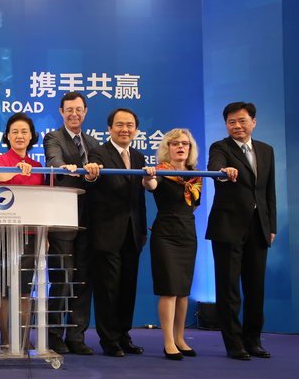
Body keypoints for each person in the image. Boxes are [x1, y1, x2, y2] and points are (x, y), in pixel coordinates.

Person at [206, 102, 276, 361]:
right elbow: (215, 169)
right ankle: (234, 343)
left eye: (242, 120)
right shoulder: (220, 148)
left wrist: (271, 225)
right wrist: (223, 172)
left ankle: (253, 340)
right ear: (226, 125)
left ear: (253, 122)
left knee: (256, 287)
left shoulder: (266, 150)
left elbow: (269, 191)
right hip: (228, 227)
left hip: (259, 227)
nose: (237, 126)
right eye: (231, 122)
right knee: (229, 289)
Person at [84, 108, 147, 357]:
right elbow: (90, 182)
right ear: (109, 128)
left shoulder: (139, 157)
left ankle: (124, 335)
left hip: (133, 233)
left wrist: (142, 229)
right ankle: (109, 339)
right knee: (107, 289)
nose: (125, 129)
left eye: (130, 125)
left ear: (136, 130)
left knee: (128, 288)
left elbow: (139, 199)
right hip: (106, 233)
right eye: (119, 125)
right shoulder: (98, 153)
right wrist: (90, 175)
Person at [43, 92, 100, 355]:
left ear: (85, 112)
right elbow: (54, 161)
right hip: (62, 217)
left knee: (84, 279)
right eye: (69, 110)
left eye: (79, 110)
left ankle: (76, 336)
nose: (74, 114)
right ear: (61, 112)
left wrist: (92, 175)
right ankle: (54, 335)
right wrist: (67, 167)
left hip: (89, 217)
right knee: (62, 277)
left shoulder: (93, 142)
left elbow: (98, 175)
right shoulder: (53, 137)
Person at [142, 128, 202, 360]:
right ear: (167, 147)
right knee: (169, 290)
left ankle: (180, 338)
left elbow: (193, 205)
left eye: (185, 144)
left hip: (187, 234)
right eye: (175, 143)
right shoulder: (160, 171)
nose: (180, 147)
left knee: (183, 291)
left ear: (190, 148)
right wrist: (148, 176)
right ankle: (168, 342)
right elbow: (150, 185)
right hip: (165, 235)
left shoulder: (196, 176)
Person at [0, 112, 44, 349]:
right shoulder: (1, 159)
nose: (20, 136)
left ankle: (23, 339)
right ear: (8, 136)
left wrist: (45, 236)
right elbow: (0, 176)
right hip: (5, 234)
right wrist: (17, 169)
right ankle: (5, 339)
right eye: (15, 132)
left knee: (24, 290)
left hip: (30, 235)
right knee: (4, 290)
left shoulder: (38, 167)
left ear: (31, 136)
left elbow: (43, 202)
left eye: (24, 132)